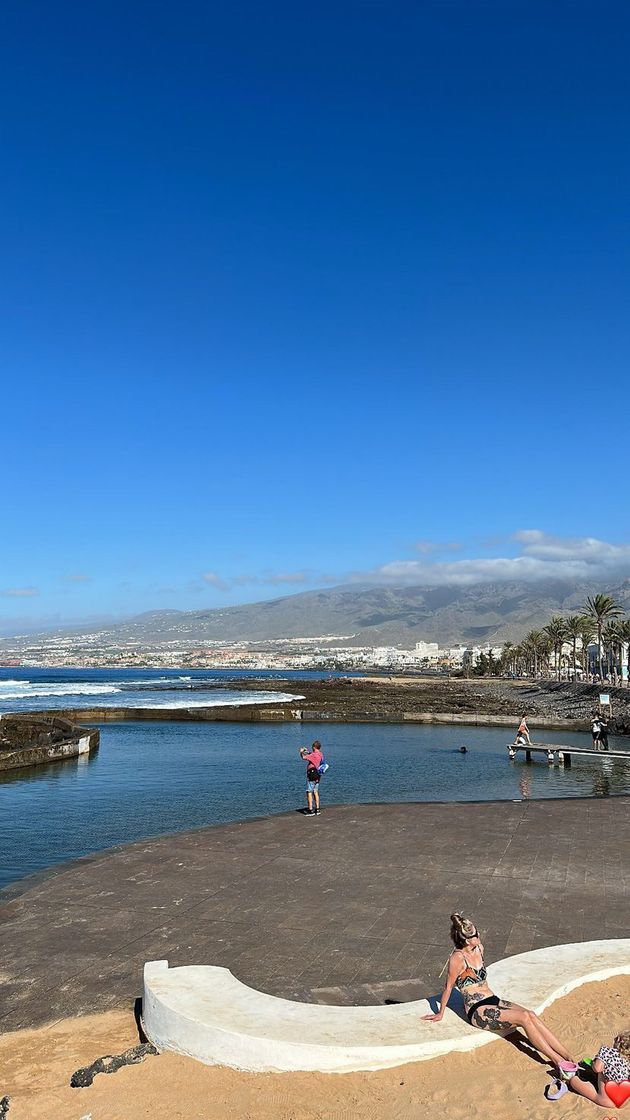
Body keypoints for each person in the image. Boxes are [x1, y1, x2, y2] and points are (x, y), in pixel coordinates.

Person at [422, 913, 578, 1078]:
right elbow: (448, 987)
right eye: (475, 935)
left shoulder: (480, 949)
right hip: (477, 1009)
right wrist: (440, 1013)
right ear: (467, 940)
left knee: (531, 1015)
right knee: (524, 1018)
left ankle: (568, 1056)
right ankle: (557, 1061)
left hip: (493, 999)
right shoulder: (457, 958)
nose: (479, 935)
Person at [550, 1028, 630, 1106]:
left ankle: (571, 1080)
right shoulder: (628, 1060)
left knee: (574, 1081)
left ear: (617, 1041)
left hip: (606, 1100)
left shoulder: (608, 1052)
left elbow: (597, 1068)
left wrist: (594, 1063)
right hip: (624, 1100)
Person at [299, 740, 324, 816]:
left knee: (309, 791)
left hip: (312, 773)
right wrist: (307, 751)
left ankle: (310, 810)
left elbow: (304, 757)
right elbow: (312, 754)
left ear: (314, 747)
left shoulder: (313, 755)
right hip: (318, 774)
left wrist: (301, 752)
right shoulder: (320, 754)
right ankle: (317, 809)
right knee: (315, 791)